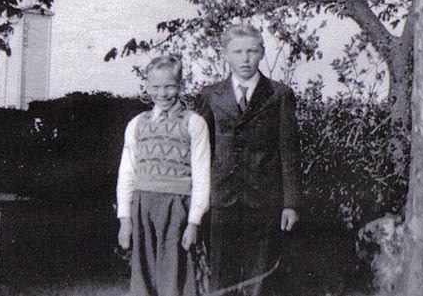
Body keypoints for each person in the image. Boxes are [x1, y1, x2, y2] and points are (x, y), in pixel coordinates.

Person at [197, 24, 300, 296]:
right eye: (238, 51)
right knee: (222, 277)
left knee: (260, 279)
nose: (245, 59)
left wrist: (290, 203)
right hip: (222, 199)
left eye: (252, 51)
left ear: (262, 52)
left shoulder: (279, 95)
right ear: (225, 55)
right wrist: (199, 200)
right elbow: (202, 152)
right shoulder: (211, 95)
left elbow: (289, 152)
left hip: (264, 200)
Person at [116, 56, 211, 296]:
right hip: (143, 206)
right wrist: (125, 219)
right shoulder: (137, 124)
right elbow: (127, 172)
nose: (163, 93)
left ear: (180, 85)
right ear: (147, 87)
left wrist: (193, 222)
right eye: (156, 87)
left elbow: (202, 175)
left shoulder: (194, 123)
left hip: (176, 208)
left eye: (169, 86)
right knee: (143, 277)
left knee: (175, 277)